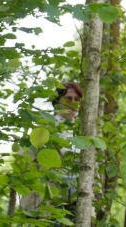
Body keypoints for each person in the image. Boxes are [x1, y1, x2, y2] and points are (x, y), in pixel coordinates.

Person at [19, 82, 83, 218]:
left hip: (77, 205)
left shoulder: (84, 132)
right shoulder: (44, 128)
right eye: (68, 98)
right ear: (57, 101)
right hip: (48, 204)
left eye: (77, 100)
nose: (73, 103)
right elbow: (25, 164)